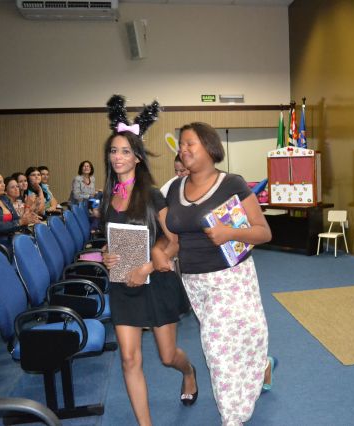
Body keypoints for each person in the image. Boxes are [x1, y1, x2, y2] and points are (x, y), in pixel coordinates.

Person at [165, 122, 275, 426]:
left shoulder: (231, 184)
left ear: (210, 147)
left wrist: (229, 232)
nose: (183, 149)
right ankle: (262, 367)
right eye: (181, 144)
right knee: (233, 344)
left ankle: (232, 418)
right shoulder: (174, 189)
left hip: (232, 278)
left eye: (190, 143)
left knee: (216, 349)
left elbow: (264, 232)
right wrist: (159, 254)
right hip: (194, 282)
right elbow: (171, 238)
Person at [100, 95, 196, 426]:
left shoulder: (154, 195)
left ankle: (189, 371)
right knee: (129, 359)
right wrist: (106, 255)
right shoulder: (108, 197)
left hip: (156, 282)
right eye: (113, 151)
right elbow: (110, 240)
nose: (118, 157)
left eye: (125, 151)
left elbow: (175, 241)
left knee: (168, 357)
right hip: (123, 285)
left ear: (138, 157)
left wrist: (147, 267)